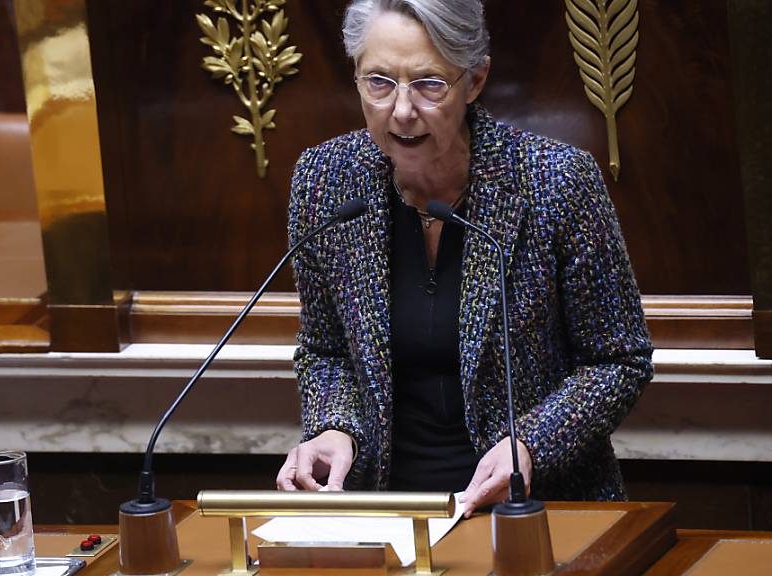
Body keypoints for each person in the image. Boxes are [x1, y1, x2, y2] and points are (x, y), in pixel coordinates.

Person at [276, 0, 652, 514]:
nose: (402, 110)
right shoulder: (325, 181)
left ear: (474, 80)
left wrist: (532, 444)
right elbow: (326, 349)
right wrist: (335, 427)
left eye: (429, 83)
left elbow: (618, 358)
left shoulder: (556, 182)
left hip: (537, 509)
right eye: (379, 82)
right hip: (387, 513)